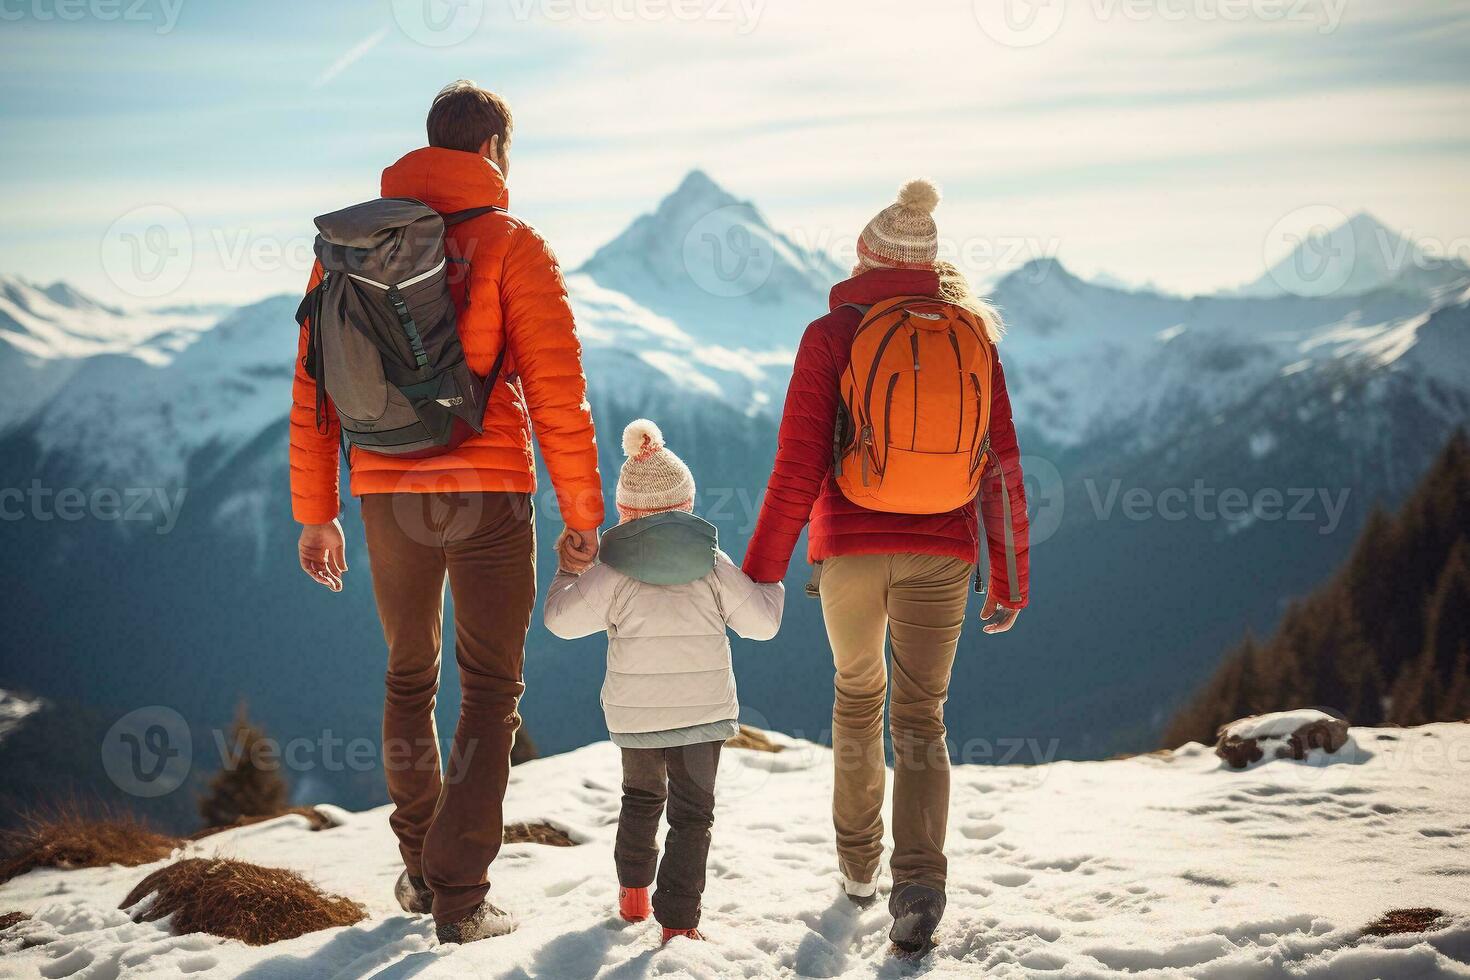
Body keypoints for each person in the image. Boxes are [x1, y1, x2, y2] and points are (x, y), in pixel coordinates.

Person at [289, 80, 604, 944]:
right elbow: (557, 395)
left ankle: (420, 864)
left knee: (407, 676)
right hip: (490, 492)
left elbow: (314, 389)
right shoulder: (512, 243)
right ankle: (460, 897)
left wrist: (317, 512)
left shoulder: (345, 250)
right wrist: (583, 511)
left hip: (385, 495)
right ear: (496, 152)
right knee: (490, 688)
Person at [741, 179, 1030, 953]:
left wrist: (761, 569)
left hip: (851, 553)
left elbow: (798, 463)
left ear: (864, 260)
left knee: (857, 700)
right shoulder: (971, 332)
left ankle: (860, 869)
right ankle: (921, 883)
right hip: (944, 554)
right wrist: (1009, 580)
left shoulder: (831, 332)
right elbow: (1001, 466)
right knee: (922, 718)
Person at [544, 419, 784, 944]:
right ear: (687, 506)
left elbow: (561, 623)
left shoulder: (611, 569)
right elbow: (762, 627)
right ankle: (678, 923)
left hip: (637, 715)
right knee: (693, 816)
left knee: (640, 799)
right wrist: (770, 580)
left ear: (627, 513)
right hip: (703, 716)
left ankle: (633, 896)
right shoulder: (712, 563)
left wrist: (567, 571)